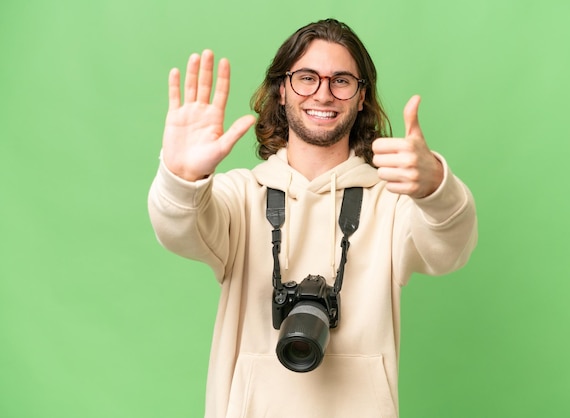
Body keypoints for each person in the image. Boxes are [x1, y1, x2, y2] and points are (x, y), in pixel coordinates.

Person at [148, 18, 477, 418]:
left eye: (341, 80)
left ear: (361, 97)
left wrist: (436, 188)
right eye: (307, 77)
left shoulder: (390, 203)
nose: (323, 94)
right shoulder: (241, 196)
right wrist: (182, 177)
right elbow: (177, 228)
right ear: (282, 90)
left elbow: (451, 250)